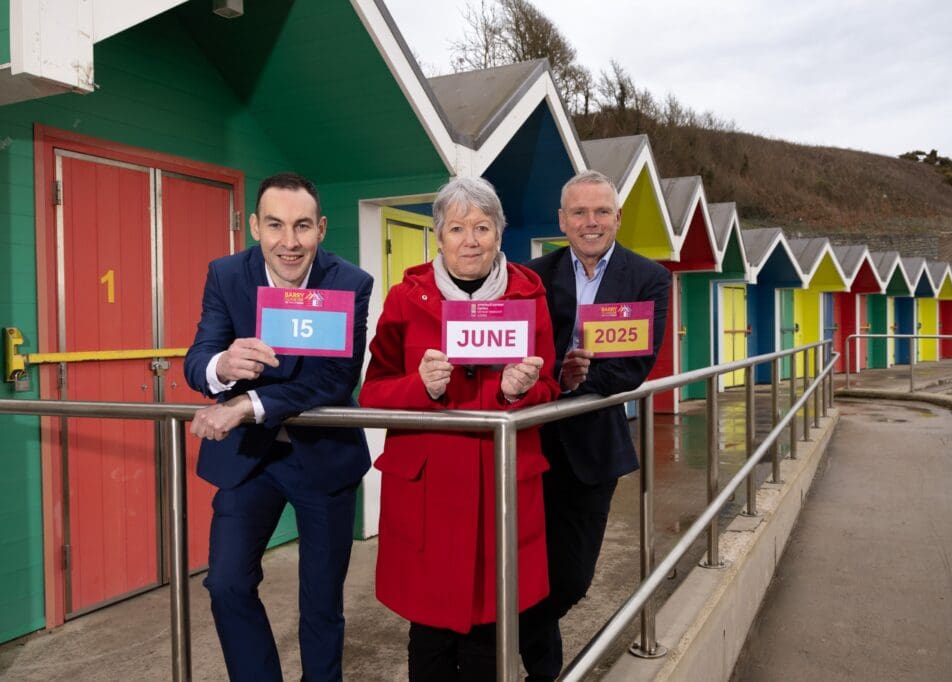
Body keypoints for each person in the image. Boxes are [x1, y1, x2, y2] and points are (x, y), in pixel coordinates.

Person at [359, 176, 561, 680]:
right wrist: (420, 387)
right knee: (428, 632)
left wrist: (519, 391)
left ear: (499, 234)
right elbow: (373, 390)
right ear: (438, 236)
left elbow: (551, 386)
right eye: (456, 228)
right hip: (429, 489)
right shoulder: (407, 299)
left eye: (482, 227)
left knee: (490, 630)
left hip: (501, 486)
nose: (470, 240)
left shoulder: (529, 296)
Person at [184, 172, 373, 681]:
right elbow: (197, 356)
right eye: (275, 225)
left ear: (322, 228)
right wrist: (222, 365)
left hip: (324, 460)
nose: (289, 242)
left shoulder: (350, 282)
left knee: (320, 602)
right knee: (225, 584)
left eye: (302, 226)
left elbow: (336, 379)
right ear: (254, 226)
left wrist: (247, 404)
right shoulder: (226, 275)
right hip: (250, 460)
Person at [519, 170, 671, 680]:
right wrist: (550, 381)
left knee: (571, 579)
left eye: (601, 211)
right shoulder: (532, 276)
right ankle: (544, 672)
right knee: (527, 573)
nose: (591, 222)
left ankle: (519, 633)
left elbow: (634, 366)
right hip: (530, 446)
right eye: (579, 212)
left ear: (617, 217)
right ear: (562, 221)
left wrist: (566, 388)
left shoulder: (648, 278)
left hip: (592, 451)